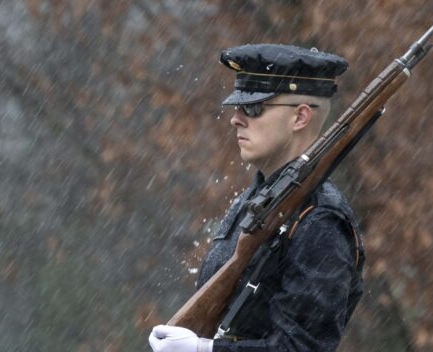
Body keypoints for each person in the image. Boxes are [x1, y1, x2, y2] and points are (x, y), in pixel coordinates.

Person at [149, 44, 365, 352]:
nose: (236, 119)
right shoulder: (254, 200)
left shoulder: (320, 220)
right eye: (238, 108)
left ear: (300, 117)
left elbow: (300, 348)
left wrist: (204, 350)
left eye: (253, 108)